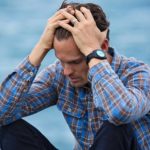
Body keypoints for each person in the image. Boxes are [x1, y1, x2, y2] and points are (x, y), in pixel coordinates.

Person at [0, 1, 150, 150]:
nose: (67, 71)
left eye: (76, 62)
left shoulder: (138, 74)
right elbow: (2, 113)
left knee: (115, 127)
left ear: (103, 46)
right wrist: (41, 47)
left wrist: (93, 52)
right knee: (6, 127)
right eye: (62, 61)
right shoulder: (58, 75)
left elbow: (120, 112)